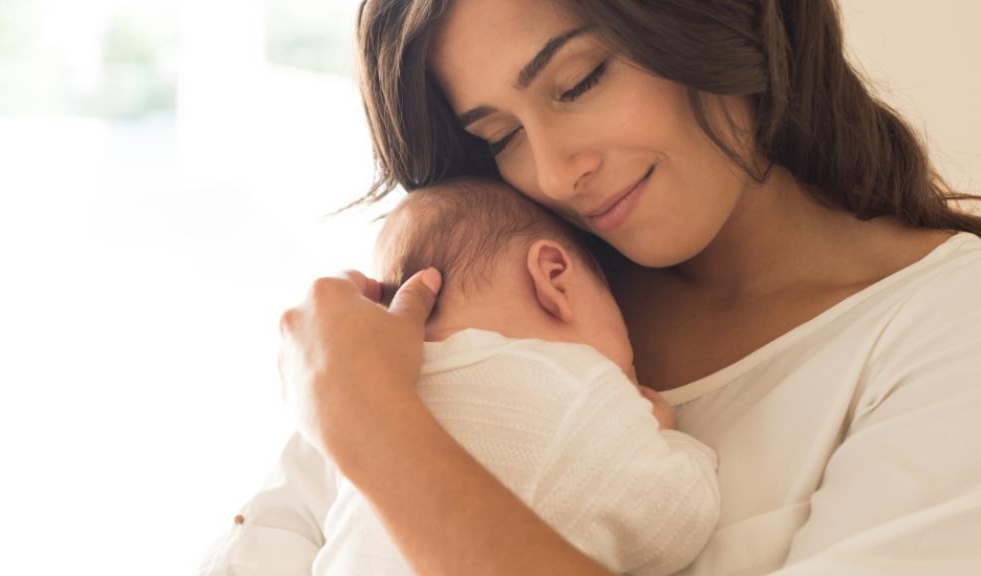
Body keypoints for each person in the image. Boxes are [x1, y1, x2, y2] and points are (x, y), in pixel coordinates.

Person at [219, 0, 981, 574]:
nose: (555, 174)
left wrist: (372, 426)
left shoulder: (945, 329)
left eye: (578, 82)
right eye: (501, 137)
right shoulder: (506, 300)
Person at [196, 178, 720, 575]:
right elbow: (675, 523)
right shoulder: (580, 387)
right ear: (554, 277)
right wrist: (666, 438)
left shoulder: (367, 405)